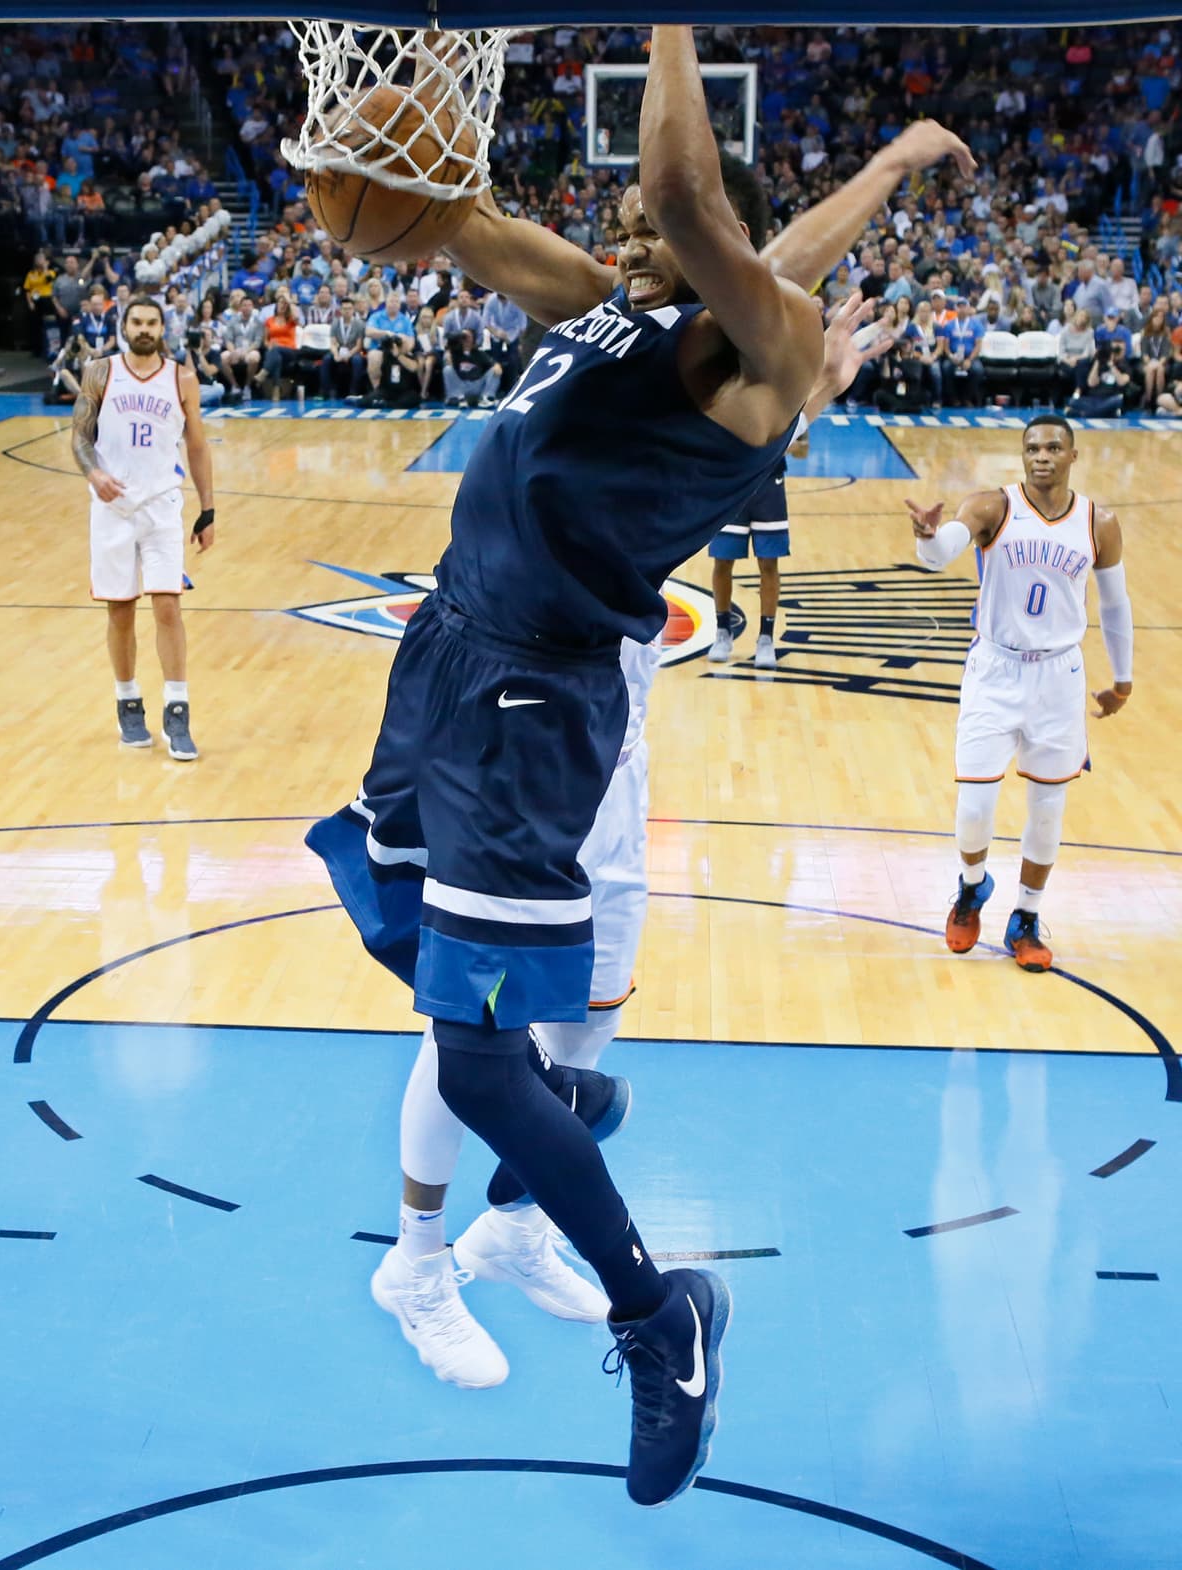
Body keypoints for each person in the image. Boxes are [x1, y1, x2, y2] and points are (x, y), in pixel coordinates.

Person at [305, 22, 971, 1510]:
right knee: (406, 935)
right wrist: (379, 180)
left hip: (532, 705)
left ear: (718, 248)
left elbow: (692, 199)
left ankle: (657, 1314)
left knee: (472, 1055)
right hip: (448, 653)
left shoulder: (764, 356)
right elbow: (475, 231)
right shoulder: (616, 307)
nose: (619, 226)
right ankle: (556, 1102)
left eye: (645, 223)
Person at [381, 297, 884, 1389]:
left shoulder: (691, 432)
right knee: (476, 1029)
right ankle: (416, 1260)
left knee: (587, 1027)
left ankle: (513, 1231)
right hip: (523, 740)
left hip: (611, 764)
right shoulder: (584, 418)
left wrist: (806, 384)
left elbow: (728, 438)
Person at [905, 415, 1133, 972]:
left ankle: (1026, 917)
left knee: (1048, 810)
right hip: (995, 669)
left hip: (1059, 675)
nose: (1042, 456)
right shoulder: (992, 507)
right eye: (1032, 448)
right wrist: (928, 537)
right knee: (975, 806)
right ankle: (972, 887)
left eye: (1053, 447)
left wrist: (1122, 679)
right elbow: (942, 553)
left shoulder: (1098, 523)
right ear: (1022, 455)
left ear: (1073, 456)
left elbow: (1115, 603)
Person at [70, 295, 215, 760]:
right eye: (137, 322)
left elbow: (197, 447)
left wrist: (208, 509)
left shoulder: (182, 378)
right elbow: (80, 437)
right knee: (120, 610)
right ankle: (128, 701)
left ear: (162, 328)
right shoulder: (100, 372)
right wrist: (93, 472)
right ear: (124, 326)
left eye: (152, 322)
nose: (144, 329)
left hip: (161, 507)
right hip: (112, 507)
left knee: (168, 606)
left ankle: (177, 709)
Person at [708, 427, 810, 667]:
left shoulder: (787, 406)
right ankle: (723, 631)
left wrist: (775, 447)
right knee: (722, 560)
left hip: (769, 484)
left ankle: (766, 638)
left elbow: (803, 450)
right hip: (733, 482)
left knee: (768, 562)